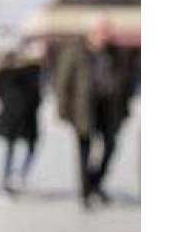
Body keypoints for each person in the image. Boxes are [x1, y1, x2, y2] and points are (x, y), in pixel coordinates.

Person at [55, 20, 134, 208]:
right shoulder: (75, 52)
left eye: (107, 32)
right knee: (84, 148)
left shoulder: (115, 54)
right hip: (83, 108)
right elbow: (63, 82)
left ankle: (95, 183)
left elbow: (125, 81)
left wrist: (125, 107)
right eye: (101, 32)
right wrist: (63, 109)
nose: (104, 36)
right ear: (91, 32)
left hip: (109, 107)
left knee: (110, 146)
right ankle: (85, 191)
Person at [0, 49, 42, 195]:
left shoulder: (5, 74)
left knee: (12, 148)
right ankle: (15, 177)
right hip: (23, 117)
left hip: (13, 116)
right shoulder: (31, 74)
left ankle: (10, 178)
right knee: (21, 148)